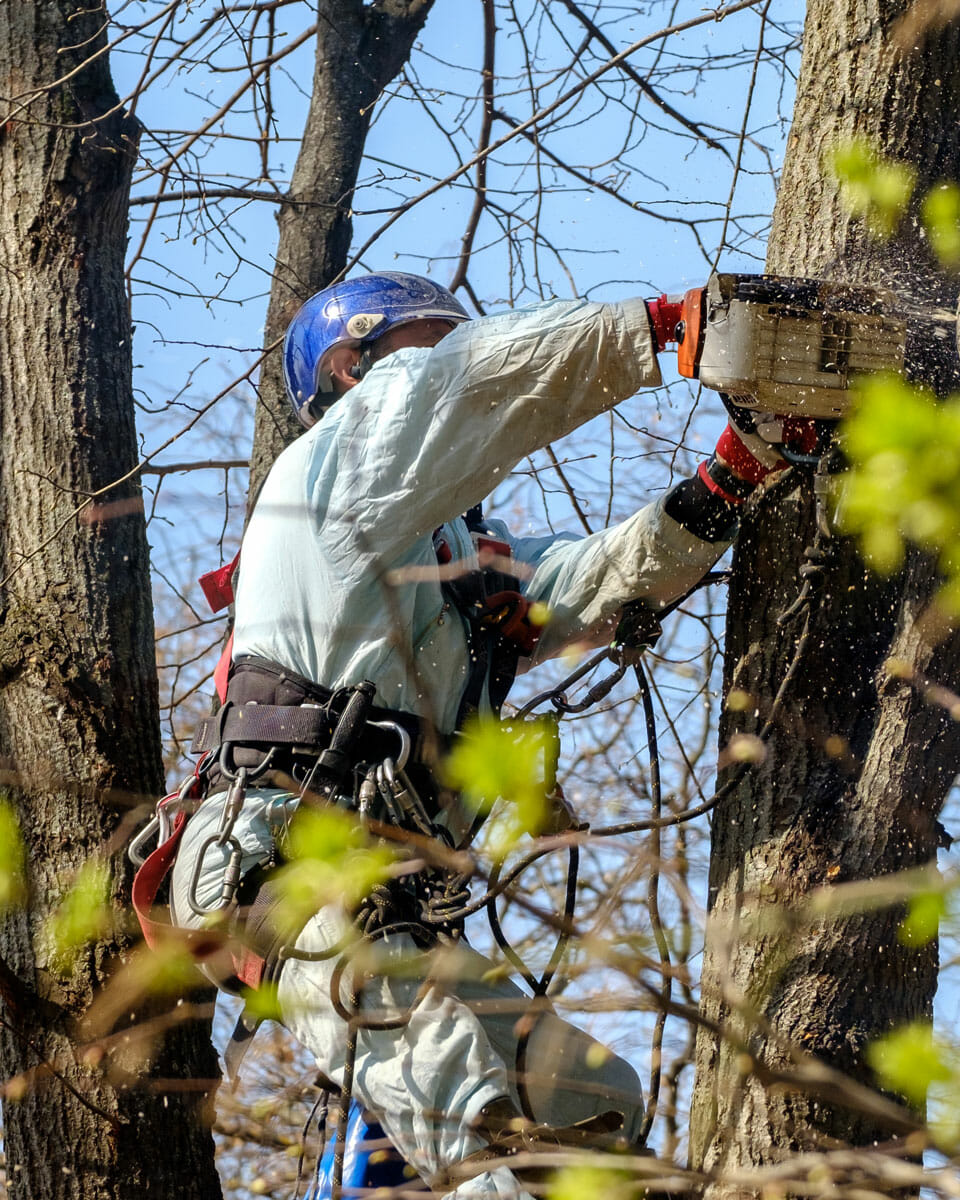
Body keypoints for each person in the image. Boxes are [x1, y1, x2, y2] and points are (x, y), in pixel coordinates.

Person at [167, 272, 792, 1198]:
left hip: (391, 896)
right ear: (351, 369)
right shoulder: (327, 478)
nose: (463, 354)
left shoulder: (450, 561)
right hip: (280, 860)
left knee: (592, 1100)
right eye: (432, 343)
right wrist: (665, 329)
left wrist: (735, 473)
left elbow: (593, 583)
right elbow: (464, 384)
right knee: (465, 1111)